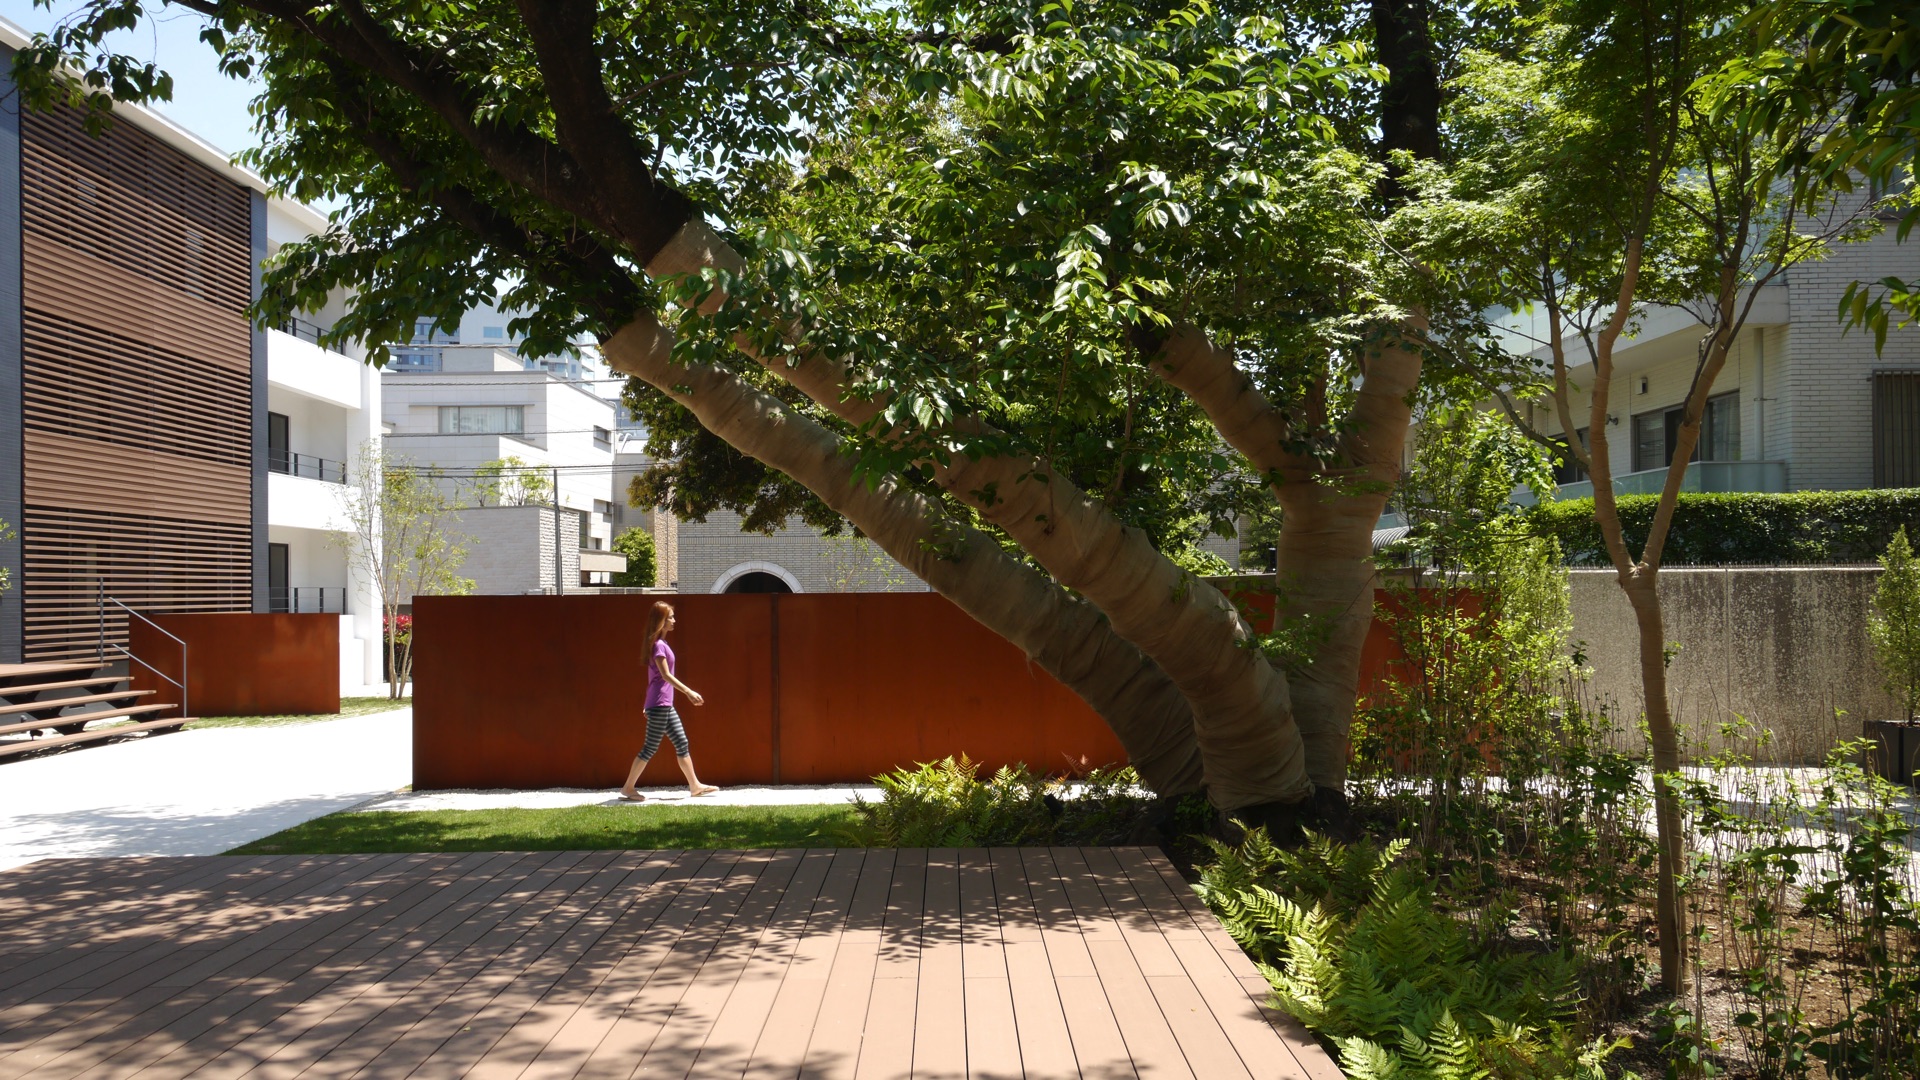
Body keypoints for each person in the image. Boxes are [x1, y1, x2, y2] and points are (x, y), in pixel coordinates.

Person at [619, 601, 720, 801]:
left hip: (663, 704)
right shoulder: (658, 646)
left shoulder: (662, 644)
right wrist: (689, 692)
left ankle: (695, 786)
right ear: (661, 621)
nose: (674, 620)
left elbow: (655, 677)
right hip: (660, 704)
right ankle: (628, 788)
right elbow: (665, 675)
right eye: (670, 617)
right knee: (650, 747)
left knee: (681, 742)